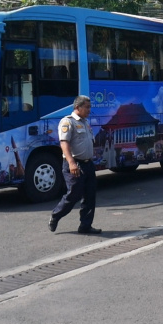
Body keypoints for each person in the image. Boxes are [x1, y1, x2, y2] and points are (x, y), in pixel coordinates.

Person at [48, 95, 102, 234]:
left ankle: (85, 226)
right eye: (87, 107)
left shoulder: (85, 122)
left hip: (87, 164)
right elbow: (64, 143)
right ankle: (56, 215)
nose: (89, 110)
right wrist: (71, 163)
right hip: (74, 164)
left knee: (90, 196)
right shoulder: (68, 122)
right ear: (78, 107)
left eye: (90, 107)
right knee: (73, 194)